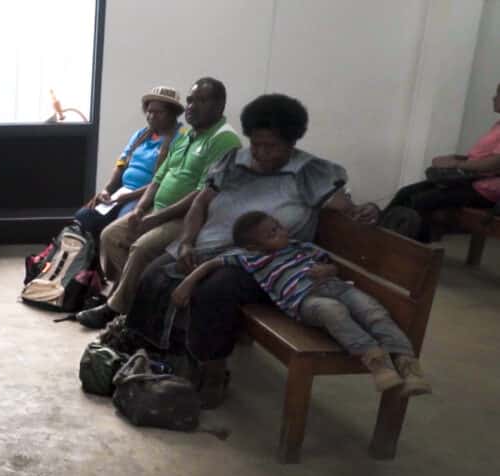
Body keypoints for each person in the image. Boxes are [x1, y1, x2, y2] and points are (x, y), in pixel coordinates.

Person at [131, 93, 379, 407]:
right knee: (154, 273)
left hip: (268, 262)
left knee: (215, 289)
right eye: (256, 144)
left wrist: (367, 210)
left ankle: (213, 370)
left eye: (271, 146)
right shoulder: (234, 161)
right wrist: (187, 242)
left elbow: (348, 209)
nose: (261, 153)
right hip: (209, 246)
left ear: (291, 141)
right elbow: (200, 203)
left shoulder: (310, 172)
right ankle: (165, 357)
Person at [173, 211, 431, 396]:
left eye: (278, 226)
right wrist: (188, 284)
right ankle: (377, 363)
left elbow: (331, 264)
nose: (281, 231)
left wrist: (327, 270)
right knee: (334, 312)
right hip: (306, 301)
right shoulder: (249, 258)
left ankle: (408, 365)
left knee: (374, 311)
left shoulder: (300, 246)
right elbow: (213, 263)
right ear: (254, 246)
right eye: (271, 233)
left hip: (337, 287)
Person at [76, 77, 241, 329]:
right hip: (156, 208)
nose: (191, 106)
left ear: (220, 105)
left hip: (189, 217)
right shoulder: (187, 136)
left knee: (141, 248)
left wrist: (156, 217)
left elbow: (201, 194)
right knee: (111, 236)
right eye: (190, 100)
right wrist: (142, 207)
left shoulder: (223, 139)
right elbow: (160, 177)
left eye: (201, 101)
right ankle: (135, 300)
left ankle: (115, 308)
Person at [383, 82, 500, 241]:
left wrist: (456, 164)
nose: (493, 98)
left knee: (420, 202)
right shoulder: (497, 126)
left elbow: (494, 163)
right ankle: (378, 233)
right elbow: (481, 157)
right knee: (405, 193)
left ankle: (417, 251)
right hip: (469, 181)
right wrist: (455, 159)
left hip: (484, 191)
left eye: (497, 94)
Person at [74, 86, 185, 238]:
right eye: (149, 111)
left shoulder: (180, 139)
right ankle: (88, 259)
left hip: (146, 199)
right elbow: (121, 164)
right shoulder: (141, 135)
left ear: (173, 114)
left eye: (159, 112)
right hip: (122, 192)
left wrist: (128, 197)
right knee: (85, 215)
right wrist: (107, 190)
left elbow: (163, 181)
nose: (151, 116)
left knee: (121, 226)